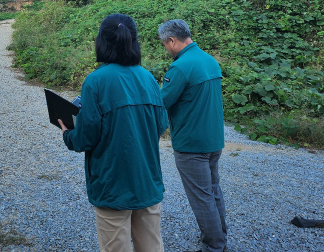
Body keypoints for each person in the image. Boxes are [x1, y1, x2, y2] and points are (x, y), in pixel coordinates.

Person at [58, 13, 168, 252]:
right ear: (133, 41)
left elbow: (85, 137)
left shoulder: (96, 82)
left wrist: (67, 133)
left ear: (102, 41)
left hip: (112, 185)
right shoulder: (148, 78)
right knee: (152, 247)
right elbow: (160, 125)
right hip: (147, 181)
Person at [158, 19, 227, 252]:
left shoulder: (180, 67)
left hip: (191, 144)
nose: (165, 49)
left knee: (201, 197)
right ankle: (220, 235)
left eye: (164, 44)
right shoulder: (210, 61)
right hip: (213, 139)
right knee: (213, 190)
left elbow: (162, 102)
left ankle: (214, 246)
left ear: (172, 40)